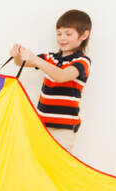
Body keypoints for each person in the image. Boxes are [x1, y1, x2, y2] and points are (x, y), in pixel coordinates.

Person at [9, 9, 92, 145]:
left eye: (68, 33)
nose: (62, 38)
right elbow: (21, 63)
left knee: (58, 166)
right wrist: (18, 55)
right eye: (59, 34)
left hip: (63, 130)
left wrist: (35, 59)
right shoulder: (49, 58)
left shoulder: (83, 61)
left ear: (84, 35)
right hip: (41, 125)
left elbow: (61, 76)